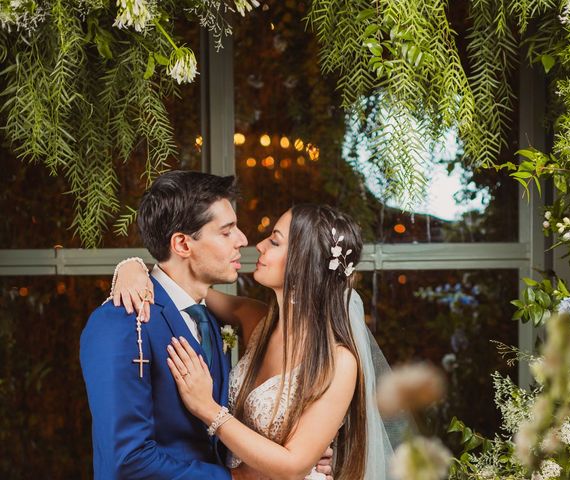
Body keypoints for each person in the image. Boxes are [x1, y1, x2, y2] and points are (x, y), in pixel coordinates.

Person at [80, 171, 333, 479]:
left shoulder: (209, 319)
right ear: (183, 245)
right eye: (227, 232)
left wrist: (291, 454)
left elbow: (210, 439)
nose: (243, 240)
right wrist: (239, 478)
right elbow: (128, 461)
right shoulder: (121, 321)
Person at [114, 204, 395, 479]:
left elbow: (295, 465)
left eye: (274, 241)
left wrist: (208, 409)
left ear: (303, 262)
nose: (259, 245)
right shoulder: (255, 319)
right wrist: (133, 268)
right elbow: (181, 285)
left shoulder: (339, 361)